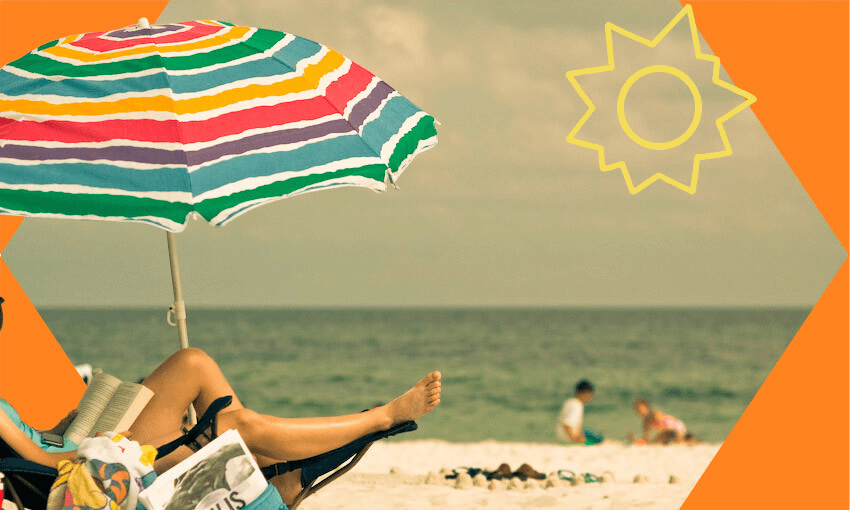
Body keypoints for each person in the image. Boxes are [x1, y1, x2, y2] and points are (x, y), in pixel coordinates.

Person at [0, 348, 442, 506]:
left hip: (83, 444)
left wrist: (72, 425)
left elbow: (32, 441)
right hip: (94, 468)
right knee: (238, 428)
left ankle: (274, 467)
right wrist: (97, 446)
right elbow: (39, 461)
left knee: (193, 364)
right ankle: (381, 416)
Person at [556, 379, 601, 444]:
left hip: (562, 438)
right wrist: (575, 440)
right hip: (569, 440)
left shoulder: (569, 402)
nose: (591, 398)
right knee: (597, 437)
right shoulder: (577, 404)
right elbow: (567, 424)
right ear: (585, 393)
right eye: (590, 395)